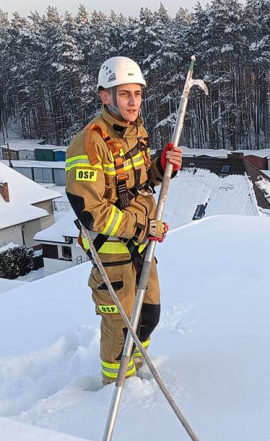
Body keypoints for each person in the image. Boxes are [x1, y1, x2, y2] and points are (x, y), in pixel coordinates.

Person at [65, 56, 182, 385]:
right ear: (106, 96)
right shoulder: (88, 143)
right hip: (111, 249)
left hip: (141, 242)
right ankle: (117, 384)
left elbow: (137, 184)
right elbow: (91, 211)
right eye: (125, 94)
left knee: (149, 313)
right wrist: (142, 227)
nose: (133, 102)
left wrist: (162, 166)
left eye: (138, 94)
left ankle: (137, 363)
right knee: (121, 324)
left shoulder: (135, 132)